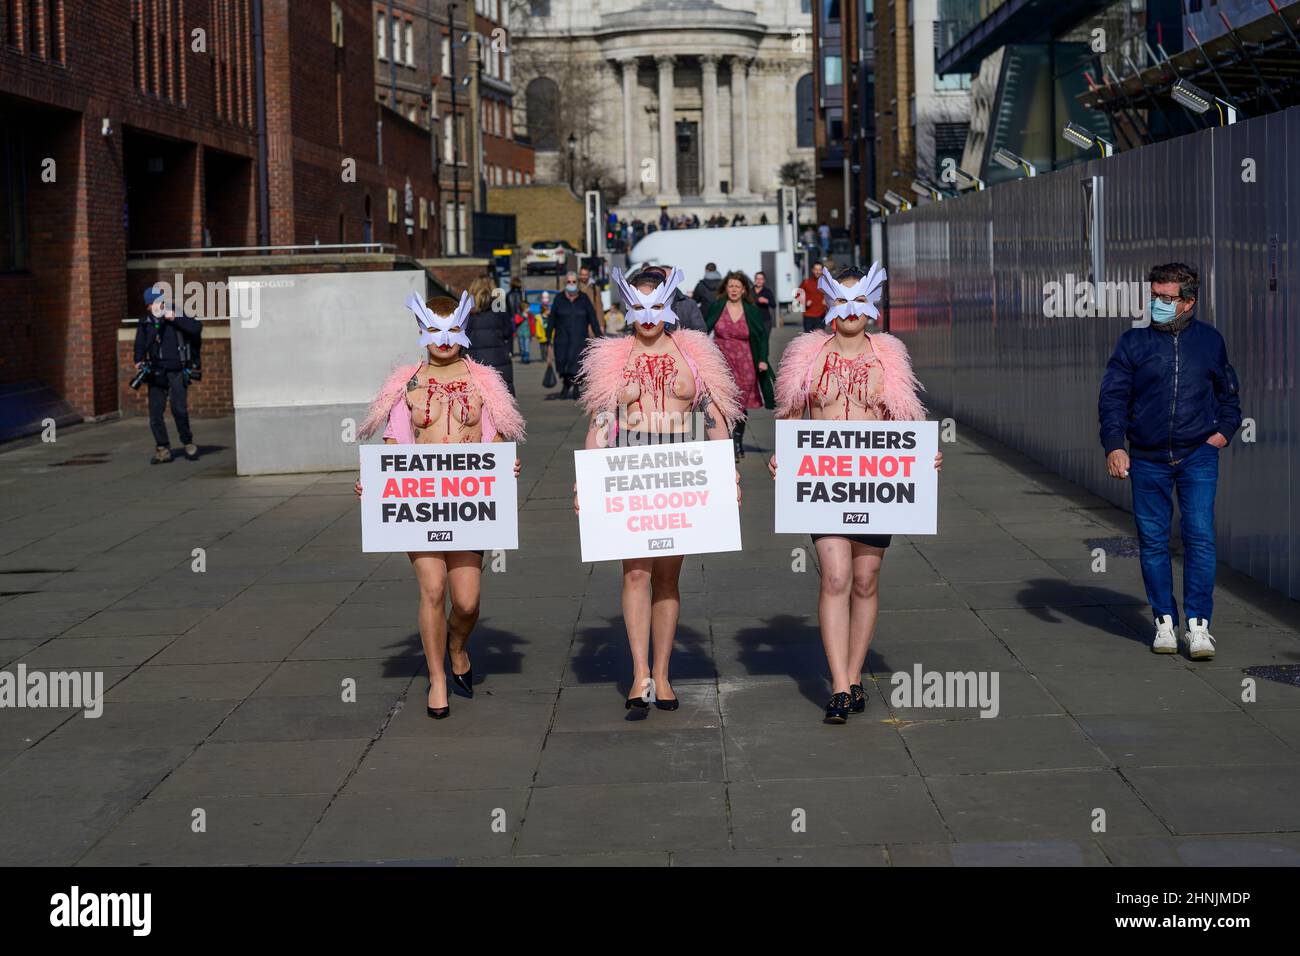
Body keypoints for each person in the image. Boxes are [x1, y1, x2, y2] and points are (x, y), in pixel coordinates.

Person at [769, 263, 941, 724]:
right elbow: (789, 412)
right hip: (824, 482)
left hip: (876, 483)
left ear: (872, 307)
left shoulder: (889, 356)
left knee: (865, 581)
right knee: (837, 577)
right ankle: (840, 686)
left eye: (858, 302)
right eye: (841, 301)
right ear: (828, 304)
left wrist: (923, 456)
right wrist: (781, 454)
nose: (850, 312)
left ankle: (855, 672)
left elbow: (905, 417)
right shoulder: (807, 355)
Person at [575, 267, 742, 713]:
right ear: (627, 309)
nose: (648, 316)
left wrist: (727, 473)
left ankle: (664, 674)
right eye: (638, 307)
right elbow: (600, 421)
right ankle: (639, 674)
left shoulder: (694, 355)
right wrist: (586, 479)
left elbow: (715, 416)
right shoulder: (613, 358)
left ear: (669, 306)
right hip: (629, 471)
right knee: (635, 573)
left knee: (667, 576)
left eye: (656, 306)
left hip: (680, 472)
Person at [355, 291, 525, 718]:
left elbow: (496, 436)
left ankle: (457, 647)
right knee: (433, 589)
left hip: (469, 502)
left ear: (464, 329)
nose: (444, 340)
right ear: (421, 331)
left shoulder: (483, 380)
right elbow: (394, 443)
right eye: (434, 330)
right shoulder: (406, 384)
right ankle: (435, 680)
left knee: (466, 602)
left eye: (452, 330)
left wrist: (503, 467)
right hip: (422, 503)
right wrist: (375, 484)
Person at [1098, 262, 1241, 660]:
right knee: (1153, 541)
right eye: (1154, 296)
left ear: (1189, 302)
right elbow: (1112, 398)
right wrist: (1115, 444)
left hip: (1198, 455)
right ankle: (1164, 620)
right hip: (1146, 459)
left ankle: (1198, 626)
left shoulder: (1210, 342)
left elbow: (1229, 394)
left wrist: (1223, 433)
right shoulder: (1132, 344)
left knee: (1199, 536)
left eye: (1166, 298)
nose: (1157, 303)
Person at [703, 271, 775, 460]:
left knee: (740, 404)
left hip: (746, 362)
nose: (734, 290)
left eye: (737, 286)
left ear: (744, 289)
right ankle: (728, 441)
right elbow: (703, 330)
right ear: (725, 288)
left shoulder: (751, 309)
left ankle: (737, 440)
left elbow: (762, 336)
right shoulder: (717, 306)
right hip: (722, 362)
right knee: (723, 403)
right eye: (730, 286)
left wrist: (762, 359)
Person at [134, 285, 203, 464]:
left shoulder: (176, 314)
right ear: (148, 305)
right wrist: (138, 359)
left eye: (162, 301)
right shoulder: (146, 323)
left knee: (179, 409)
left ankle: (188, 442)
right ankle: (163, 448)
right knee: (155, 414)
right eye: (156, 302)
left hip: (177, 370)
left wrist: (175, 319)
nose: (161, 305)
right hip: (156, 371)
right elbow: (140, 344)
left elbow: (196, 328)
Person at [549, 270, 602, 398]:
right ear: (565, 283)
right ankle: (566, 384)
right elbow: (552, 318)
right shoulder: (559, 298)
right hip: (562, 338)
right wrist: (547, 336)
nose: (571, 284)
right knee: (563, 363)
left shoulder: (583, 298)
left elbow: (592, 318)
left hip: (579, 337)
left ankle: (577, 387)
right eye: (569, 282)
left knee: (577, 364)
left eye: (573, 281)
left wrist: (599, 336)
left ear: (577, 283)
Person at [465, 275, 515, 394]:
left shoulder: (467, 311)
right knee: (501, 404)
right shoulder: (499, 309)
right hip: (500, 362)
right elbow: (508, 331)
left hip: (474, 363)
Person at [647, 263, 706, 332]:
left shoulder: (688, 304)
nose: (666, 283)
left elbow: (701, 332)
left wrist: (679, 340)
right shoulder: (642, 304)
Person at [797, 261, 828, 333]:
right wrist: (805, 302)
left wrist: (827, 300)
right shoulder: (806, 282)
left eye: (819, 270)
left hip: (821, 315)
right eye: (816, 269)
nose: (817, 272)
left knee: (819, 338)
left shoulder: (826, 283)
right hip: (808, 315)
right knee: (808, 338)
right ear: (812, 270)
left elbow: (832, 296)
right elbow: (797, 294)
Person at [752, 270, 776, 343]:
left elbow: (774, 305)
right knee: (754, 342)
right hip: (753, 321)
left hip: (765, 321)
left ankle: (764, 354)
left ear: (764, 281)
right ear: (755, 280)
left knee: (764, 342)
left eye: (761, 279)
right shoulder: (750, 291)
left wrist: (766, 301)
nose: (759, 281)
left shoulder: (767, 291)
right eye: (757, 279)